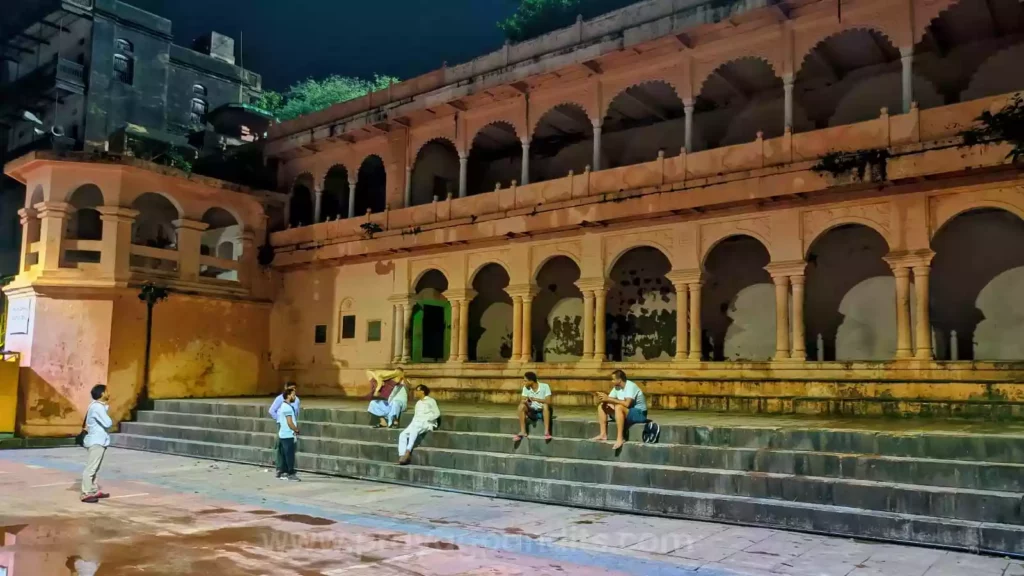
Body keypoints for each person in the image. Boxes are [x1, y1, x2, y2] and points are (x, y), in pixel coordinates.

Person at [592, 370, 649, 450]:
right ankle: (603, 434)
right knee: (602, 406)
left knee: (618, 407)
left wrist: (608, 399)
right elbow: (609, 399)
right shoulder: (617, 388)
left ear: (619, 380)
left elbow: (627, 404)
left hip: (639, 414)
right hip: (627, 412)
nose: (612, 381)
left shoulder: (630, 386)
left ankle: (620, 438)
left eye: (613, 379)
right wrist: (602, 398)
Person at [81, 385, 113, 503]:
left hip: (98, 440)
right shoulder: (98, 407)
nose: (109, 393)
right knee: (91, 468)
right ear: (102, 393)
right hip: (96, 441)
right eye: (107, 391)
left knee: (95, 468)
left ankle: (93, 490)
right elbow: (108, 423)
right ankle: (86, 493)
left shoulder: (96, 406)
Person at [397, 385, 440, 465]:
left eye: (417, 390)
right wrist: (411, 425)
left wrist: (428, 419)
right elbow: (415, 416)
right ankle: (402, 455)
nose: (415, 392)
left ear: (422, 391)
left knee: (415, 429)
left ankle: (408, 452)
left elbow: (437, 413)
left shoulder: (431, 401)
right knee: (402, 434)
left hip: (426, 423)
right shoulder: (418, 403)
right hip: (416, 422)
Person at [515, 372, 552, 441]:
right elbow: (522, 400)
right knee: (521, 406)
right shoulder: (525, 388)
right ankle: (523, 431)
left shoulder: (545, 386)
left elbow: (549, 401)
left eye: (525, 381)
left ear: (531, 381)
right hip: (532, 411)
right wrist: (525, 402)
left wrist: (536, 399)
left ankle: (547, 432)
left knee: (545, 405)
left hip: (542, 410)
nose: (524, 382)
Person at [276, 387, 301, 481]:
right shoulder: (287, 408)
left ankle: (283, 472)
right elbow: (290, 422)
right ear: (288, 396)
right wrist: (296, 429)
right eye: (293, 395)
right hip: (288, 434)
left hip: (283, 434)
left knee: (284, 454)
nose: (295, 397)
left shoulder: (284, 406)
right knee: (289, 455)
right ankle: (290, 473)